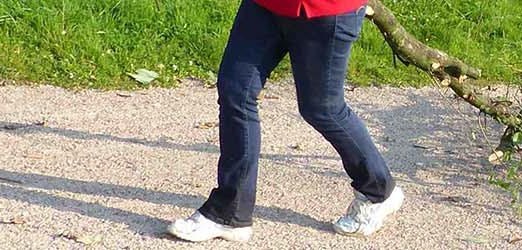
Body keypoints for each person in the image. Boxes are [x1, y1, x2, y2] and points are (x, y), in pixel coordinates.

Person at [168, 0, 404, 242]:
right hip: (265, 5)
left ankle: (378, 189)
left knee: (322, 109)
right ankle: (229, 213)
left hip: (325, 10)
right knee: (236, 91)